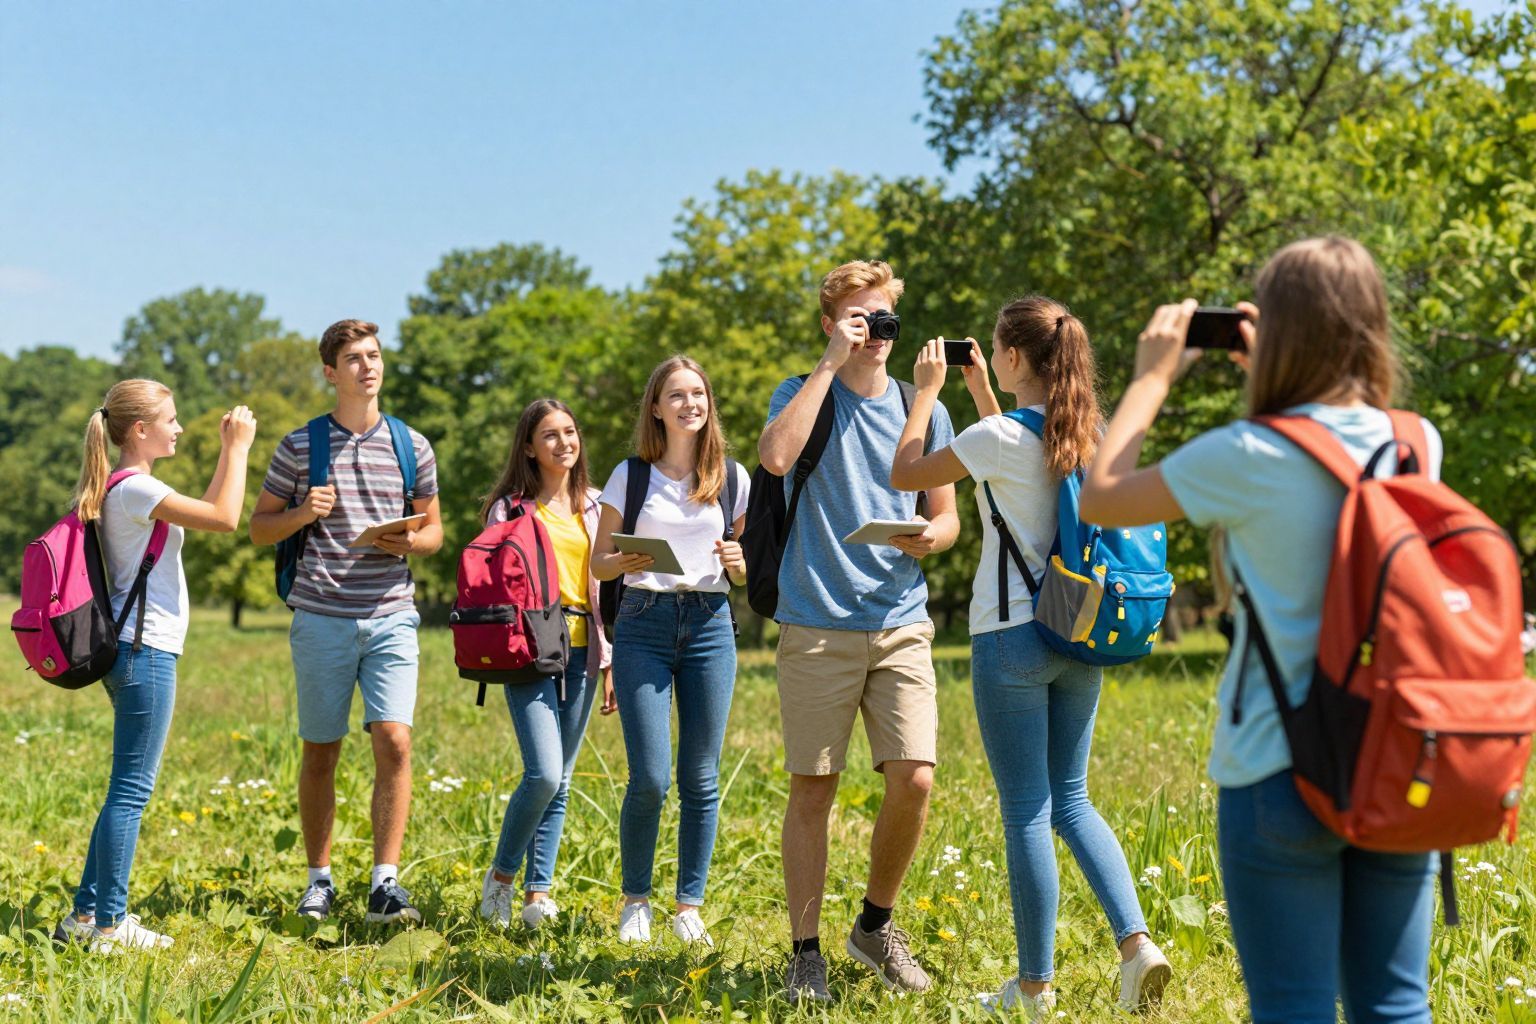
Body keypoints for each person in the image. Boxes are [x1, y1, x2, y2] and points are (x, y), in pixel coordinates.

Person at [1078, 237, 1442, 1024]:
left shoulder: (1246, 453)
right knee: (1395, 1006)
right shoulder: (1416, 441)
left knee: (1292, 1008)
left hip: (1277, 768)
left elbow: (1101, 497)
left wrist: (1151, 378)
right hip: (1392, 753)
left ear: (1277, 329)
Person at [889, 301, 1170, 1017]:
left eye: (994, 350)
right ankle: (1137, 945)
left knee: (1026, 812)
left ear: (1014, 357)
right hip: (1078, 628)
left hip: (1011, 636)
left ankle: (1035, 988)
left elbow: (905, 473)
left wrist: (925, 392)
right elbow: (1016, 465)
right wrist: (984, 392)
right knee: (1072, 800)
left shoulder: (996, 438)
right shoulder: (1089, 434)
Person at [756, 260, 959, 1001]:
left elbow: (947, 517)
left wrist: (930, 539)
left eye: (884, 319)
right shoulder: (800, 392)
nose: (876, 332)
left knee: (916, 777)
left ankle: (874, 925)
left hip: (899, 616)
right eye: (858, 319)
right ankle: (804, 952)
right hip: (817, 620)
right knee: (815, 790)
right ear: (831, 323)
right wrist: (828, 363)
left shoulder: (922, 404)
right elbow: (775, 457)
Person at [249, 319, 442, 925]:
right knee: (321, 751)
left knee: (395, 741)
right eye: (355, 358)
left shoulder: (412, 445)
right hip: (322, 618)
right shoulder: (300, 446)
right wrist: (302, 512)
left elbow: (434, 531)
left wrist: (411, 542)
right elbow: (259, 528)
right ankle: (319, 881)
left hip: (391, 614)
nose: (368, 366)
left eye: (374, 355)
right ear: (331, 373)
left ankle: (386, 884)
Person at [53, 381, 256, 952]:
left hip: (131, 649)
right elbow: (226, 517)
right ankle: (110, 926)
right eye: (171, 419)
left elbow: (211, 510)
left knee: (123, 788)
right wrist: (238, 447)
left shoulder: (124, 488)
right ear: (139, 430)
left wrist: (227, 453)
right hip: (146, 650)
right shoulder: (137, 489)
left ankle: (86, 915)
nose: (179, 428)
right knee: (130, 792)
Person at [591, 355, 749, 948]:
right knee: (651, 777)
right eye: (677, 395)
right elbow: (599, 563)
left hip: (710, 624)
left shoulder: (733, 477)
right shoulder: (630, 476)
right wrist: (624, 560)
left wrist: (739, 562)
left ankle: (689, 906)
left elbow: (746, 569)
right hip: (643, 623)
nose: (690, 404)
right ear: (656, 408)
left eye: (698, 394)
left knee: (701, 777)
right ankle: (636, 901)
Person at [477, 398, 614, 930]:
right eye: (550, 435)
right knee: (544, 773)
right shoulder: (510, 510)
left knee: (563, 778)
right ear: (530, 448)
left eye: (570, 432)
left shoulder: (598, 506)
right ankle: (501, 879)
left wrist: (609, 660)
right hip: (529, 649)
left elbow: (609, 589)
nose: (564, 443)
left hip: (584, 649)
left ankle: (539, 894)